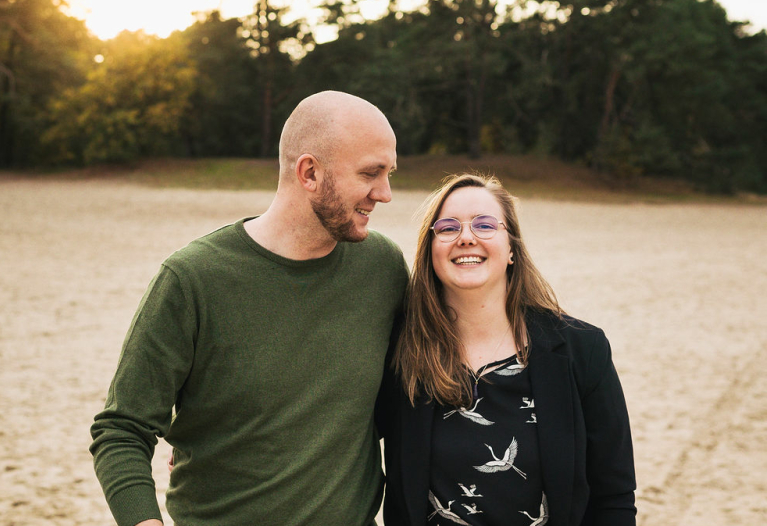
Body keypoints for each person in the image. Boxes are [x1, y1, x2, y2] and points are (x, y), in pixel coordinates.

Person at [90, 91, 409, 526]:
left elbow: (410, 399)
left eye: (388, 173)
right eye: (371, 173)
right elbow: (122, 429)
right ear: (310, 172)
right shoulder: (192, 279)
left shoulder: (383, 268)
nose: (385, 194)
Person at [379, 173, 636, 526]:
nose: (466, 237)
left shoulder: (583, 351)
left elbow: (614, 498)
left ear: (512, 248)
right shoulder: (401, 354)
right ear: (431, 250)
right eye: (448, 228)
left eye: (485, 225)